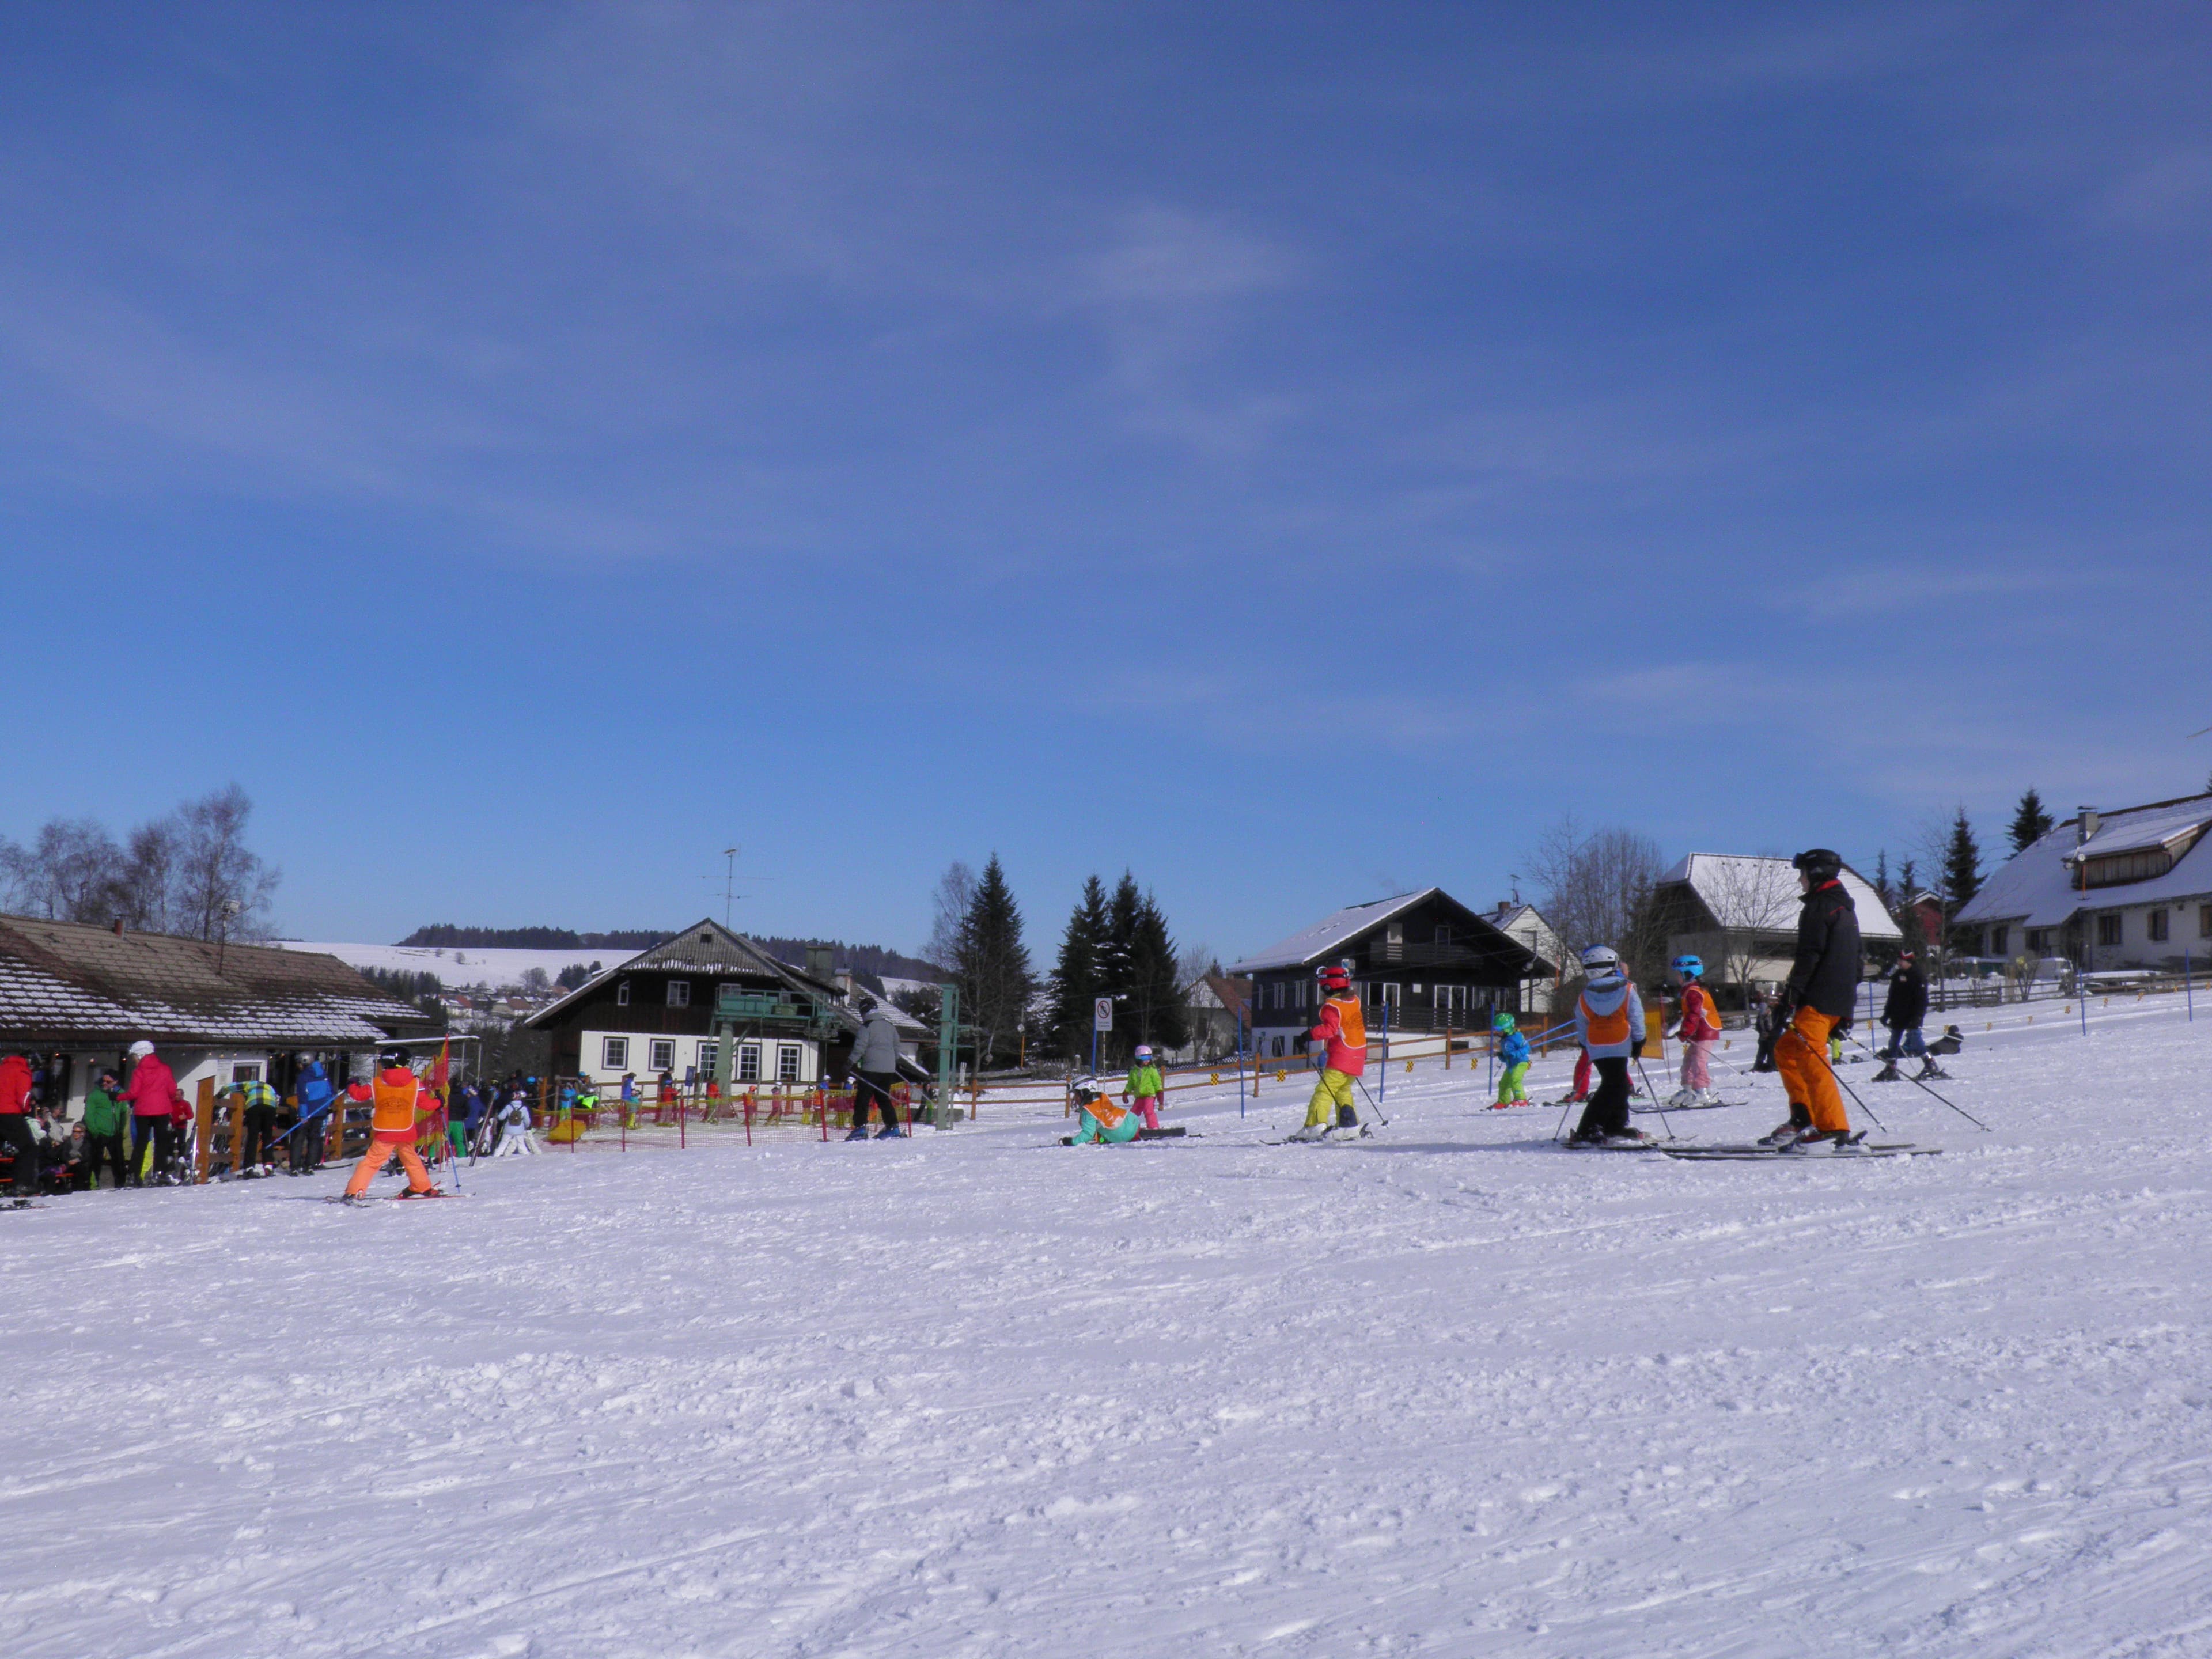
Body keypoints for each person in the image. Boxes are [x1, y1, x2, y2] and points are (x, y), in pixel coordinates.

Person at [1763, 847, 1862, 1147]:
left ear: (1815, 874)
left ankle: (1831, 1127)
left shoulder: (1820, 907)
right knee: (1786, 1050)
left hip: (1819, 999)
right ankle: (1803, 1116)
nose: (1800, 881)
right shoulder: (1843, 908)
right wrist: (1845, 1009)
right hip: (1835, 999)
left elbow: (1809, 957)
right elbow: (1857, 962)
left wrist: (1790, 998)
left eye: (1802, 874)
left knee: (1812, 1059)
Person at [1568, 946, 1649, 1146]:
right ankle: (1588, 1129)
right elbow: (1636, 1017)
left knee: (1618, 1084)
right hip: (1621, 1042)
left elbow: (1582, 1021)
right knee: (1615, 1086)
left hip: (1597, 1044)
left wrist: (1584, 1043)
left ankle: (1616, 1124)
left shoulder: (1585, 994)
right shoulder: (1627, 989)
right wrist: (1639, 1041)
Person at [341, 1052, 440, 1201]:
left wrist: (351, 1085)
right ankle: (422, 1186)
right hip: (406, 1130)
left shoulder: (378, 1083)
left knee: (372, 1162)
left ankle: (355, 1191)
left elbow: (359, 1095)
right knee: (411, 1160)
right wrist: (439, 1102)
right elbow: (426, 1105)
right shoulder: (415, 1083)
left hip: (385, 1131)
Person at [1291, 965, 1369, 1142]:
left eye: (1322, 986)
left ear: (1328, 986)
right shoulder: (1354, 1001)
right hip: (1358, 1055)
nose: (1321, 991)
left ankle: (1315, 1126)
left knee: (1324, 1090)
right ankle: (1349, 1125)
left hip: (1342, 1055)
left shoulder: (1332, 1007)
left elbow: (1330, 1030)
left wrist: (1307, 1036)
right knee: (1342, 1090)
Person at [118, 1040, 181, 1185]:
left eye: (134, 1057)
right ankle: (159, 1173)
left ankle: (134, 1175)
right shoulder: (165, 1069)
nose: (134, 1060)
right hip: (162, 1110)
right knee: (161, 1143)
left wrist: (118, 1097)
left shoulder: (139, 1071)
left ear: (141, 1055)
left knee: (141, 1143)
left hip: (143, 1111)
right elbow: (172, 1090)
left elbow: (134, 1093)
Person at [1667, 955, 1724, 1108]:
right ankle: (1688, 1090)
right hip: (1698, 1033)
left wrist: (1685, 1031)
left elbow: (1694, 1014)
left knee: (1699, 1062)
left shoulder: (1694, 992)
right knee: (1688, 1062)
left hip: (1706, 1031)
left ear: (1687, 973)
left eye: (1679, 974)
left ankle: (1702, 1091)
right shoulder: (1690, 990)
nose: (1677, 978)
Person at [846, 995, 906, 1140]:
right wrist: (893, 1061)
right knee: (883, 1098)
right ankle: (893, 1127)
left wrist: (850, 1062)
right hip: (888, 1070)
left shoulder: (867, 1027)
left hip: (871, 1068)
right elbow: (897, 1046)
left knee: (863, 1099)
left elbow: (860, 1047)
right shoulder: (890, 1026)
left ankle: (860, 1128)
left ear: (864, 1012)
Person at [1873, 952, 1934, 1082]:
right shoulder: (1897, 976)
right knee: (1893, 1042)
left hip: (1912, 1016)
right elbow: (1892, 997)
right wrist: (1886, 1014)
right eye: (1899, 960)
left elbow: (1922, 1000)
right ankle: (1891, 1069)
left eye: (1902, 961)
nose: (1899, 963)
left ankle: (1930, 1065)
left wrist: (1918, 1018)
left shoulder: (1918, 976)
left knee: (1915, 1040)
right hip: (1898, 1016)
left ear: (1909, 962)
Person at [0, 1050, 39, 1200]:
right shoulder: (22, 1070)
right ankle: (22, 1184)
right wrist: (28, 1109)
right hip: (9, 1113)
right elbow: (23, 1097)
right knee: (28, 1148)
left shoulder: (2, 1068)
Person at [82, 1070, 129, 1190]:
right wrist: (94, 1131)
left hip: (115, 1133)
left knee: (119, 1160)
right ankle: (93, 1184)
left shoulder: (120, 1093)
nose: (105, 1084)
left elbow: (124, 1112)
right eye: (104, 1081)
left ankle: (120, 1184)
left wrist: (120, 1129)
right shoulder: (95, 1095)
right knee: (96, 1160)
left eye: (109, 1082)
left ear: (115, 1082)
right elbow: (89, 1115)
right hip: (99, 1133)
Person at [291, 1058, 335, 1174]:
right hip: (320, 1111)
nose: (298, 1066)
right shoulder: (323, 1074)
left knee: (299, 1138)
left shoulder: (303, 1076)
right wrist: (326, 1105)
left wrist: (303, 1115)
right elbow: (330, 1092)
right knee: (315, 1138)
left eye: (300, 1063)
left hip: (307, 1112)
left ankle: (295, 1165)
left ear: (305, 1063)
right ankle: (310, 1164)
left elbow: (303, 1097)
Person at [1065, 1077, 1139, 1146]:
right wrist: (1101, 1139)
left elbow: (1088, 1134)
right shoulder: (1102, 1097)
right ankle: (1144, 1134)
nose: (1075, 1099)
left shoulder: (1088, 1111)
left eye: (1077, 1095)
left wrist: (1072, 1142)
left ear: (1085, 1092)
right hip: (1132, 1120)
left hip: (1124, 1134)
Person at [232, 1074, 280, 1174]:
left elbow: (227, 1087)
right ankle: (269, 1164)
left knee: (253, 1137)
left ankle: (250, 1167)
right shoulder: (270, 1087)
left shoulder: (247, 1085)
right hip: (270, 1107)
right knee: (267, 1136)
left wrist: (219, 1096)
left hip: (254, 1106)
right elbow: (277, 1099)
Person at [1491, 1012, 1532, 1108]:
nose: (1497, 1032)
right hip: (1511, 1065)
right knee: (1504, 1083)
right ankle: (1503, 1102)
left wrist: (1516, 1054)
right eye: (1495, 1030)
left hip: (1521, 1063)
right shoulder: (1505, 1040)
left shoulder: (1516, 1036)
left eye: (1498, 1030)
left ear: (1507, 1028)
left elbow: (1526, 1048)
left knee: (1515, 1080)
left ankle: (1521, 1099)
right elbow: (1507, 1058)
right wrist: (1502, 1056)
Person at [1123, 1044, 1165, 1131]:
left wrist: (1160, 1096)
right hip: (1139, 1096)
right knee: (1133, 1113)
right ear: (1138, 1058)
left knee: (1148, 1111)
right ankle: (1131, 1129)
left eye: (1149, 1057)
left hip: (1150, 1095)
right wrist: (1126, 1093)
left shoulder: (1151, 1070)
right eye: (1144, 1058)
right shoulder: (1134, 1071)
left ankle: (1153, 1127)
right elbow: (1131, 1083)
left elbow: (1157, 1083)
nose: (1147, 1060)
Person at [490, 1087, 537, 1156]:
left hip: (508, 1129)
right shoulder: (524, 1108)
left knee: (503, 1144)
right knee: (522, 1145)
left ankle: (496, 1155)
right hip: (519, 1130)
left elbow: (501, 1117)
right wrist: (526, 1126)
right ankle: (526, 1155)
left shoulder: (508, 1107)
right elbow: (527, 1121)